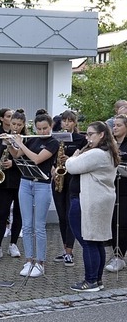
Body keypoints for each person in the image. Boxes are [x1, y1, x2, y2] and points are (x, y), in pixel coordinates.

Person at [66, 121, 119, 291]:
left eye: (91, 134)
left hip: (88, 201)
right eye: (86, 134)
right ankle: (97, 280)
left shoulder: (97, 153)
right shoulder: (107, 152)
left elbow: (72, 166)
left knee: (88, 241)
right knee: (96, 241)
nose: (87, 138)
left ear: (102, 135)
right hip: (99, 200)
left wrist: (74, 156)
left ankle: (90, 281)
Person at [9, 109, 59, 278]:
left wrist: (21, 143)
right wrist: (9, 143)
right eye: (39, 128)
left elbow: (37, 159)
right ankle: (29, 260)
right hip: (25, 183)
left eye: (45, 128)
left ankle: (40, 262)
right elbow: (17, 156)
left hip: (42, 185)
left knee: (39, 226)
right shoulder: (32, 140)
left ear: (50, 126)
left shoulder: (53, 143)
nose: (42, 132)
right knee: (27, 225)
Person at [0, 109, 26, 260]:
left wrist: (13, 163)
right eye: (13, 123)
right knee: (2, 214)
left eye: (19, 124)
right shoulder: (1, 138)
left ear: (23, 125)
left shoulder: (26, 139)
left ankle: (13, 244)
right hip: (3, 181)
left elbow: (28, 159)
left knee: (18, 214)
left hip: (20, 181)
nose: (15, 127)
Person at [52, 110, 86, 266]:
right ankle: (65, 248)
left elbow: (84, 158)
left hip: (72, 179)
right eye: (64, 121)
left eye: (69, 121)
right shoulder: (56, 138)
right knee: (61, 216)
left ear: (75, 123)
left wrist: (71, 159)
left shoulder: (80, 139)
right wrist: (53, 168)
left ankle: (70, 252)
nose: (66, 123)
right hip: (59, 179)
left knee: (69, 215)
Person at [106, 114, 127, 272]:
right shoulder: (110, 145)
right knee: (113, 222)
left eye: (119, 125)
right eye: (114, 125)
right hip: (111, 188)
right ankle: (115, 253)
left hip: (125, 188)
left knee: (123, 223)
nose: (115, 128)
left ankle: (120, 256)